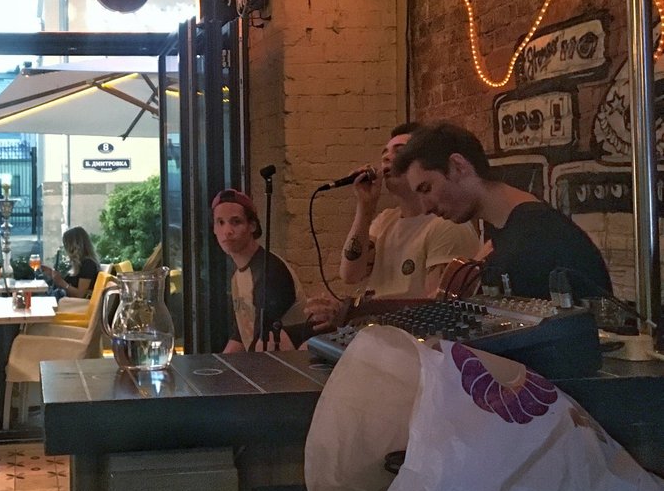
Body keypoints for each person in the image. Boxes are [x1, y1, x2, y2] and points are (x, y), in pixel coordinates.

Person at [391, 121, 612, 300]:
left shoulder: (535, 240)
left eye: (426, 189)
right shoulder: (509, 230)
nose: (426, 207)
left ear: (458, 166)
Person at [305, 123, 482, 331]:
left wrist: (351, 312)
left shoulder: (446, 224)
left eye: (399, 152)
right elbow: (350, 273)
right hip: (375, 330)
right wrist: (365, 207)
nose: (388, 158)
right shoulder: (385, 220)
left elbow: (435, 309)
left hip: (407, 337)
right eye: (385, 154)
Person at [212, 189, 309, 353]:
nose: (227, 231)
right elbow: (241, 335)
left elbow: (263, 341)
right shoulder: (238, 276)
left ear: (252, 226)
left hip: (286, 362)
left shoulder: (270, 272)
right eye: (220, 222)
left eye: (236, 222)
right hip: (262, 360)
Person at [41, 226, 100, 298]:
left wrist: (61, 282)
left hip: (72, 303)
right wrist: (52, 274)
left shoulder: (88, 264)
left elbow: (80, 294)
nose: (65, 248)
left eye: (66, 244)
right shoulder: (78, 264)